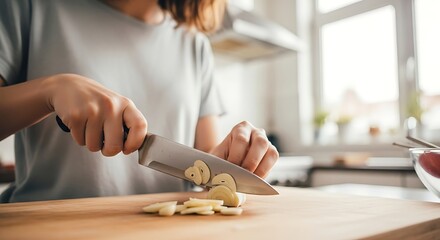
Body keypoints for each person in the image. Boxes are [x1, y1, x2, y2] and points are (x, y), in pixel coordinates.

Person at [0, 0, 279, 203]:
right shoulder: (27, 6)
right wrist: (50, 90)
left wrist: (234, 157)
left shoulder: (195, 44)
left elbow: (205, 161)